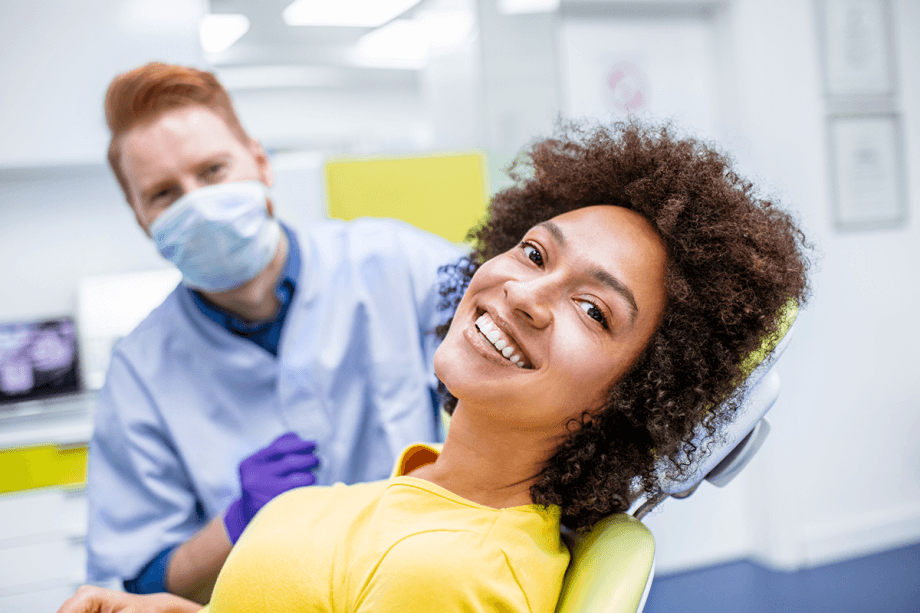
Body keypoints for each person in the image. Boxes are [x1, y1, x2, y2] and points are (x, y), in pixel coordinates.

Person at [61, 120, 811, 612]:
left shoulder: (456, 571)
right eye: (535, 252)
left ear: (633, 398)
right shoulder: (425, 493)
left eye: (594, 310)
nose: (524, 293)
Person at [85, 62, 462, 602]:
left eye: (212, 171)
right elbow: (141, 581)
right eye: (165, 194)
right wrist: (240, 521)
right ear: (140, 216)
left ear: (260, 162)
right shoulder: (139, 372)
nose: (198, 204)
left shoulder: (398, 264)